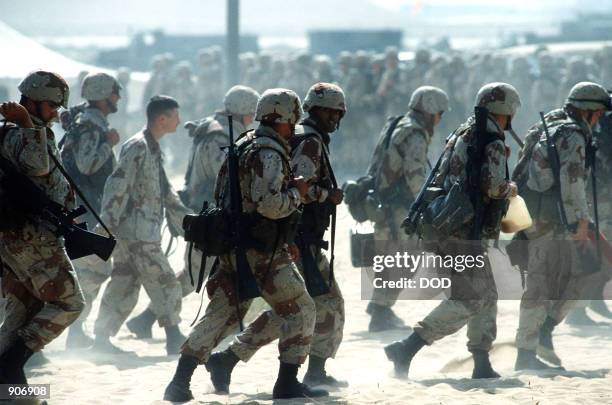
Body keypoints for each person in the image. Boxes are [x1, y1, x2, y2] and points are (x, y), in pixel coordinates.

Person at [163, 89, 326, 401]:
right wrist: (298, 193)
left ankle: (179, 382)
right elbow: (269, 204)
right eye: (291, 120)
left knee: (220, 316)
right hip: (261, 252)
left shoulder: (243, 144)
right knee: (302, 307)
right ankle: (287, 383)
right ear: (284, 119)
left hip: (237, 248)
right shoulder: (269, 152)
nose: (294, 126)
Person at [205, 83, 348, 392]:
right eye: (331, 112)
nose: (335, 118)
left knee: (295, 307)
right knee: (323, 304)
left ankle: (229, 359)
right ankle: (310, 373)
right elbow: (298, 189)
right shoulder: (309, 143)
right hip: (299, 238)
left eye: (338, 113)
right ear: (317, 111)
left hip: (296, 237)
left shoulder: (305, 138)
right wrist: (328, 195)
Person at [384, 82, 520, 379]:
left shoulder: (465, 132)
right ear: (505, 110)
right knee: (471, 297)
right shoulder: (492, 142)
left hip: (448, 225)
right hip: (463, 233)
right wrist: (511, 188)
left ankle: (481, 362)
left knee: (487, 295)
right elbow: (494, 186)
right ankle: (407, 347)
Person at [126, 85, 260, 339]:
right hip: (209, 217)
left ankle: (147, 319)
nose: (253, 120)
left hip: (217, 216)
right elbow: (229, 178)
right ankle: (148, 320)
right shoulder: (219, 137)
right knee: (193, 276)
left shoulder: (223, 131)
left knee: (202, 273)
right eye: (251, 114)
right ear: (242, 113)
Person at [514, 82, 612, 370]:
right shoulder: (572, 135)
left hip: (546, 217)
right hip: (551, 220)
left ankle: (542, 334)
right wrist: (581, 222)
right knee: (542, 285)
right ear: (589, 112)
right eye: (598, 114)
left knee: (580, 275)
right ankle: (526, 354)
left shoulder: (553, 125)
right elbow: (572, 184)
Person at [0, 71, 85, 384]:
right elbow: (37, 168)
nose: (55, 113)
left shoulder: (22, 130)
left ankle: (11, 389)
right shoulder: (21, 131)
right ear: (32, 103)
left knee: (23, 312)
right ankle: (10, 365)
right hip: (31, 237)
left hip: (21, 237)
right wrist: (25, 124)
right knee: (70, 302)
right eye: (51, 107)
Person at [92, 95, 191, 355]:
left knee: (124, 282)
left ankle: (101, 339)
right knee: (166, 280)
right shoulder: (138, 146)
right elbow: (118, 185)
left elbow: (166, 192)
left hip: (138, 231)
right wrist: (107, 223)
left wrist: (189, 220)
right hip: (137, 233)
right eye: (175, 116)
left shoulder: (152, 148)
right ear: (162, 119)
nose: (179, 121)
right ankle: (173, 336)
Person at [366, 86, 450, 332]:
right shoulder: (415, 133)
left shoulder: (397, 124)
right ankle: (380, 312)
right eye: (439, 113)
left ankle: (379, 305)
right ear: (430, 110)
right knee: (405, 259)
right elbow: (415, 177)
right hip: (399, 208)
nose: (439, 119)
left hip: (384, 202)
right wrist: (429, 205)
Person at [60, 72, 122, 348]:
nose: (118, 97)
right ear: (103, 95)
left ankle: (76, 331)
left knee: (92, 271)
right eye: (114, 92)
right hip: (86, 211)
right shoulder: (89, 126)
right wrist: (108, 143)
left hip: (90, 208)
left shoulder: (91, 123)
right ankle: (74, 332)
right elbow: (87, 165)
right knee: (93, 271)